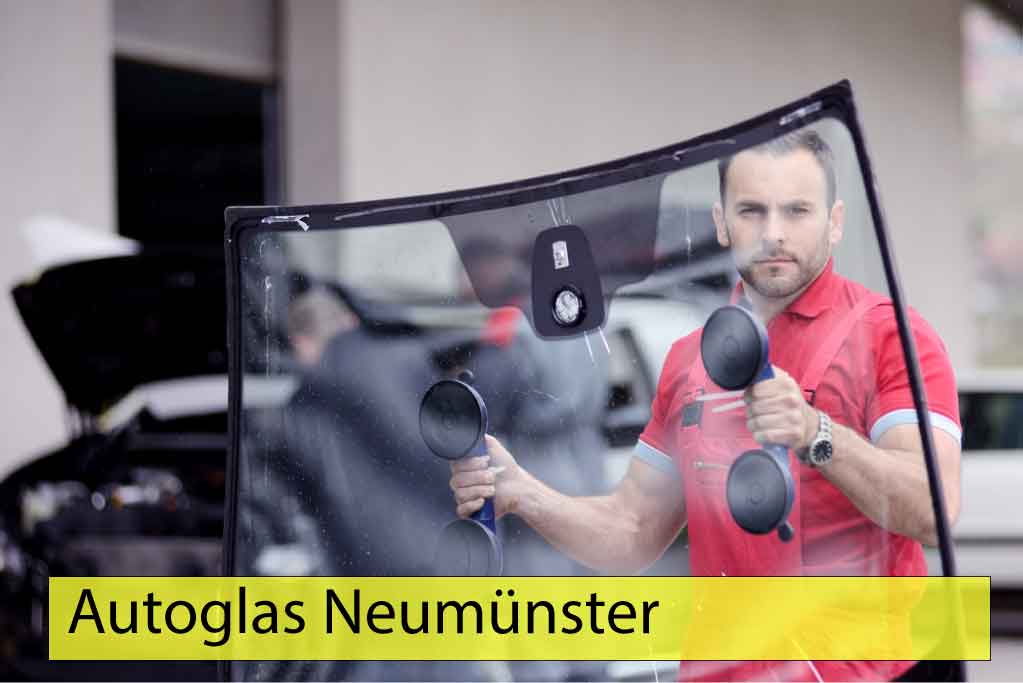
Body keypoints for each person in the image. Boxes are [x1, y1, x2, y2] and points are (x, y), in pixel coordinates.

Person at [448, 129, 962, 682]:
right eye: (751, 211)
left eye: (797, 211)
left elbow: (933, 511)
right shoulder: (689, 360)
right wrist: (523, 493)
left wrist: (818, 433)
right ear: (721, 224)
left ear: (834, 222)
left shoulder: (890, 336)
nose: (773, 233)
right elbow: (632, 529)